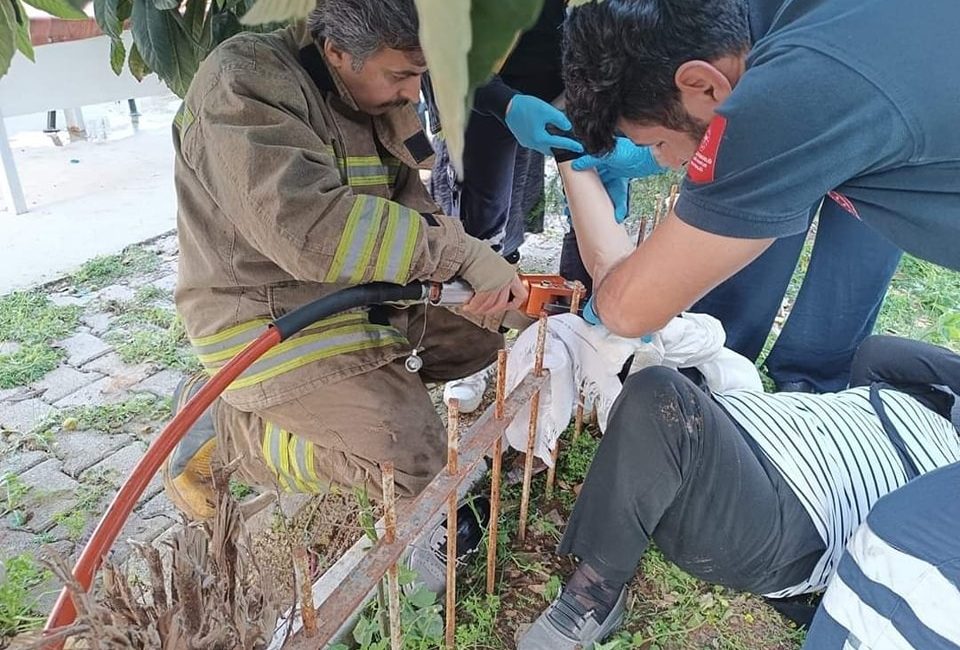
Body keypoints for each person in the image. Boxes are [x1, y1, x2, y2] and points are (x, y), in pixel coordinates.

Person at [164, 0, 528, 532]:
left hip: (354, 292)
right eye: (402, 75)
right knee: (412, 465)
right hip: (264, 315)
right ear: (337, 50)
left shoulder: (366, 86)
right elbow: (310, 231)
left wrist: (469, 280)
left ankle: (355, 401)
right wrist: (461, 253)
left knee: (479, 337)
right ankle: (223, 427)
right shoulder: (242, 83)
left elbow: (407, 203)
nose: (411, 92)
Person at [559, 0, 960, 367]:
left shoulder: (793, 91)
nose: (667, 161)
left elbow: (632, 309)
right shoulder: (772, 21)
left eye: (658, 144)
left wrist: (612, 277)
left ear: (704, 84)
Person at [518, 328, 960, 648]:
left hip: (794, 518)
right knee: (668, 348)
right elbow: (879, 350)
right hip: (738, 438)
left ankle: (593, 593)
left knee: (658, 391)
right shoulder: (924, 392)